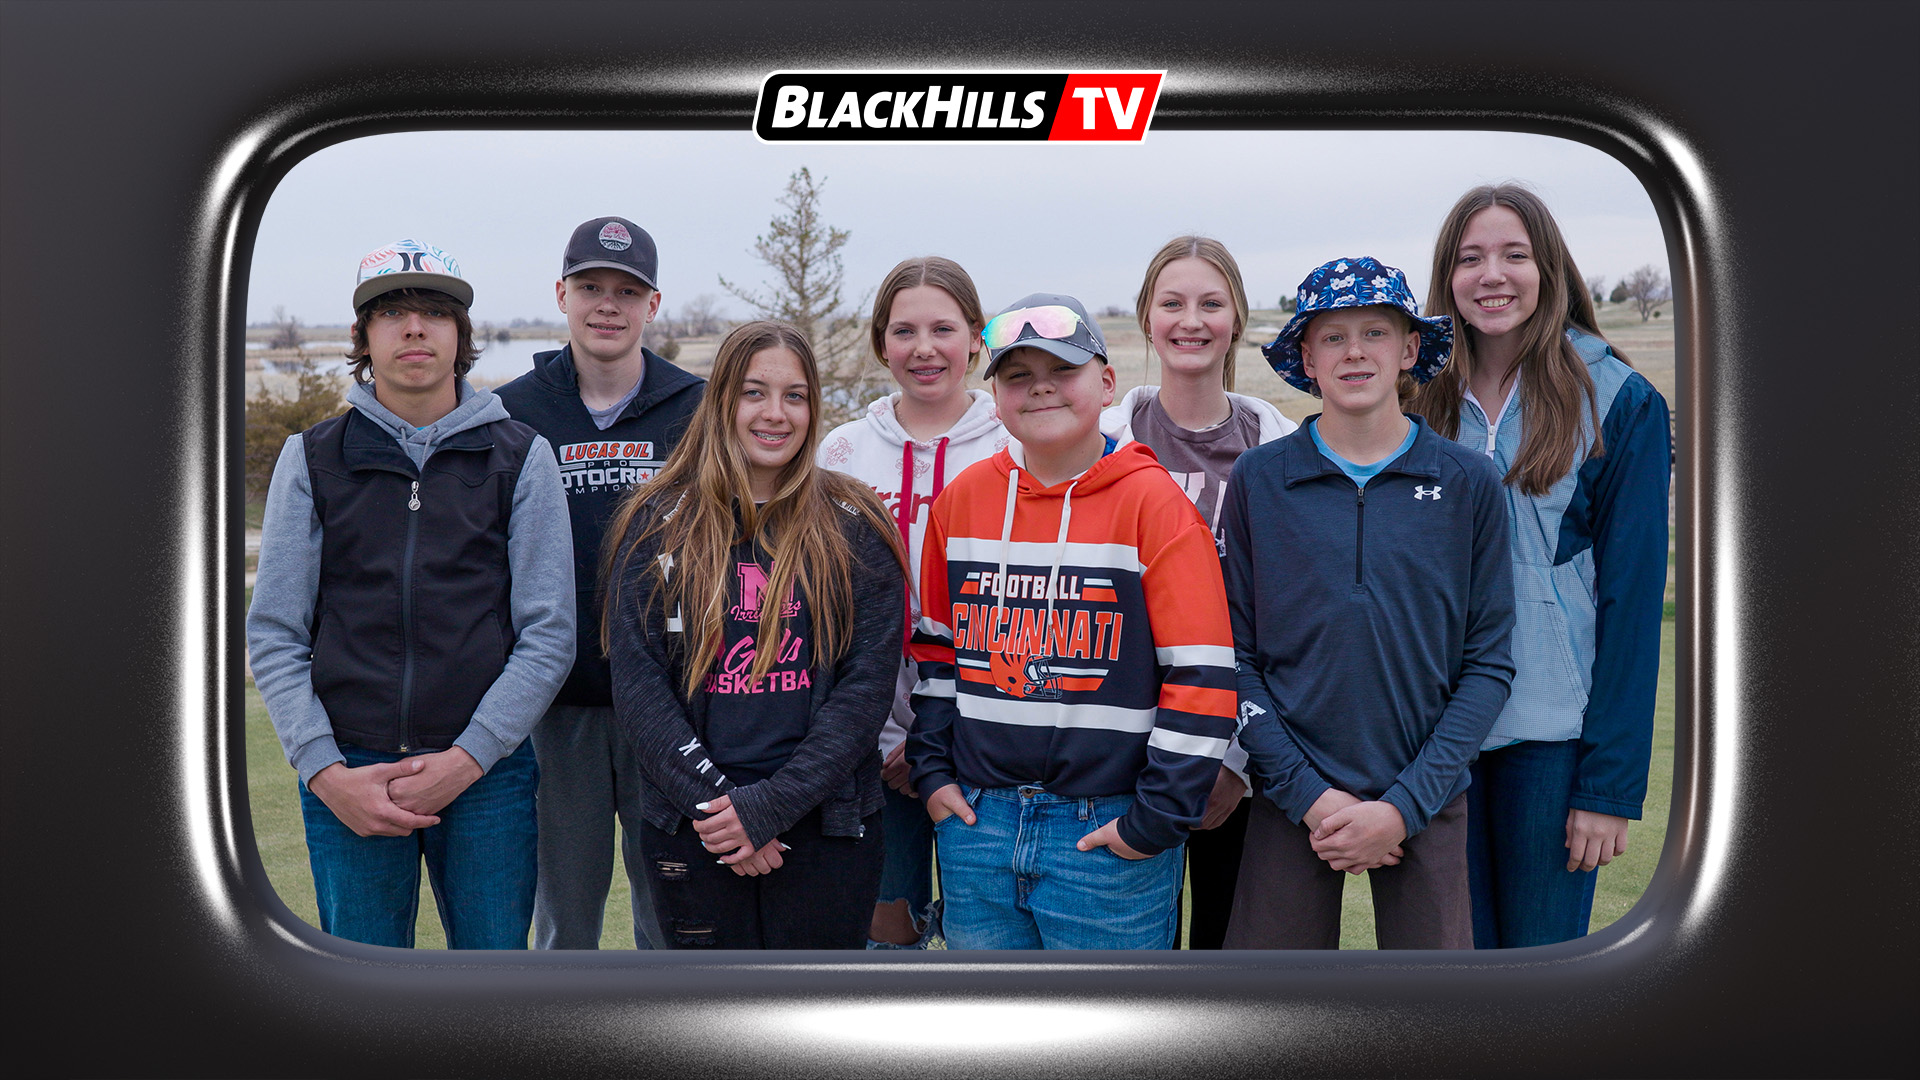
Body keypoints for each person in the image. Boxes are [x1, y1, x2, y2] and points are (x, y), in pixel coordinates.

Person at [248, 239, 575, 948]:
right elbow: (275, 631)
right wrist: (324, 772)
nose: (415, 327)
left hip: (486, 776)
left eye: (434, 311)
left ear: (461, 336)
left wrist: (468, 758)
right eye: (392, 311)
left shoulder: (520, 457)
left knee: (492, 998)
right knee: (363, 998)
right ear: (364, 337)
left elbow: (548, 633)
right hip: (350, 771)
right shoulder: (312, 457)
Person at [906, 293, 1237, 950]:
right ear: (995, 396)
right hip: (980, 823)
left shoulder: (1155, 506)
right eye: (1018, 376)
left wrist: (1154, 822)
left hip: (1106, 830)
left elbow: (1202, 678)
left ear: (1106, 382)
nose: (1041, 390)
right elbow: (937, 652)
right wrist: (934, 777)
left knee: (1110, 1047)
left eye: (1062, 370)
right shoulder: (963, 502)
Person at [1222, 257, 1515, 950]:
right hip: (1291, 793)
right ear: (1306, 356)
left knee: (1436, 1024)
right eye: (1332, 336)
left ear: (1410, 349)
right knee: (1265, 1016)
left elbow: (1489, 664)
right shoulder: (1261, 480)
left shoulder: (1468, 483)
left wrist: (1405, 806)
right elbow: (1233, 656)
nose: (1355, 352)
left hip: (1428, 791)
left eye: (1376, 332)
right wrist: (1308, 795)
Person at [1410, 184, 1672, 948]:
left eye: (1514, 255)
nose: (1492, 274)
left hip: (1551, 748)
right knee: (1447, 983)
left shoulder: (1619, 400)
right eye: (1471, 258)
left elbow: (1633, 603)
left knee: (1539, 992)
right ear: (1447, 279)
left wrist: (1609, 788)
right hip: (1435, 741)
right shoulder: (1417, 396)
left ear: (1548, 267)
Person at [601, 320, 907, 949]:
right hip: (696, 826)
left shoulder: (855, 525)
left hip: (827, 828)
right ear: (720, 403)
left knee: (817, 1034)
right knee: (710, 1033)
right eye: (753, 393)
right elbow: (640, 685)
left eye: (795, 395)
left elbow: (864, 691)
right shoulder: (657, 524)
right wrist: (723, 808)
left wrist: (769, 808)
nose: (776, 413)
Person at [495, 216, 704, 950]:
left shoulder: (699, 408)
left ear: (653, 304)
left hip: (674, 711)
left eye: (627, 290)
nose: (607, 304)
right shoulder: (513, 411)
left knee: (673, 921)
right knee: (564, 928)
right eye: (591, 287)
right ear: (561, 293)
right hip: (558, 710)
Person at [1102, 235, 1296, 950]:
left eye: (1211, 303)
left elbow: (1283, 618)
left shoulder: (1275, 449)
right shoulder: (1103, 441)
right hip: (1123, 754)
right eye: (1173, 302)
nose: (1192, 320)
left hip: (1240, 758)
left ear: (1237, 319)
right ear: (1147, 318)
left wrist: (1234, 765)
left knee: (1225, 961)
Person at [816, 256, 1010, 949]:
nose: (924, 349)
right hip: (869, 740)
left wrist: (936, 738)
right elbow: (822, 608)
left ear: (975, 338)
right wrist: (886, 735)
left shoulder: (1014, 445)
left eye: (942, 328)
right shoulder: (842, 452)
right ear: (880, 343)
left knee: (980, 940)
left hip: (984, 742)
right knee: (886, 938)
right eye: (904, 331)